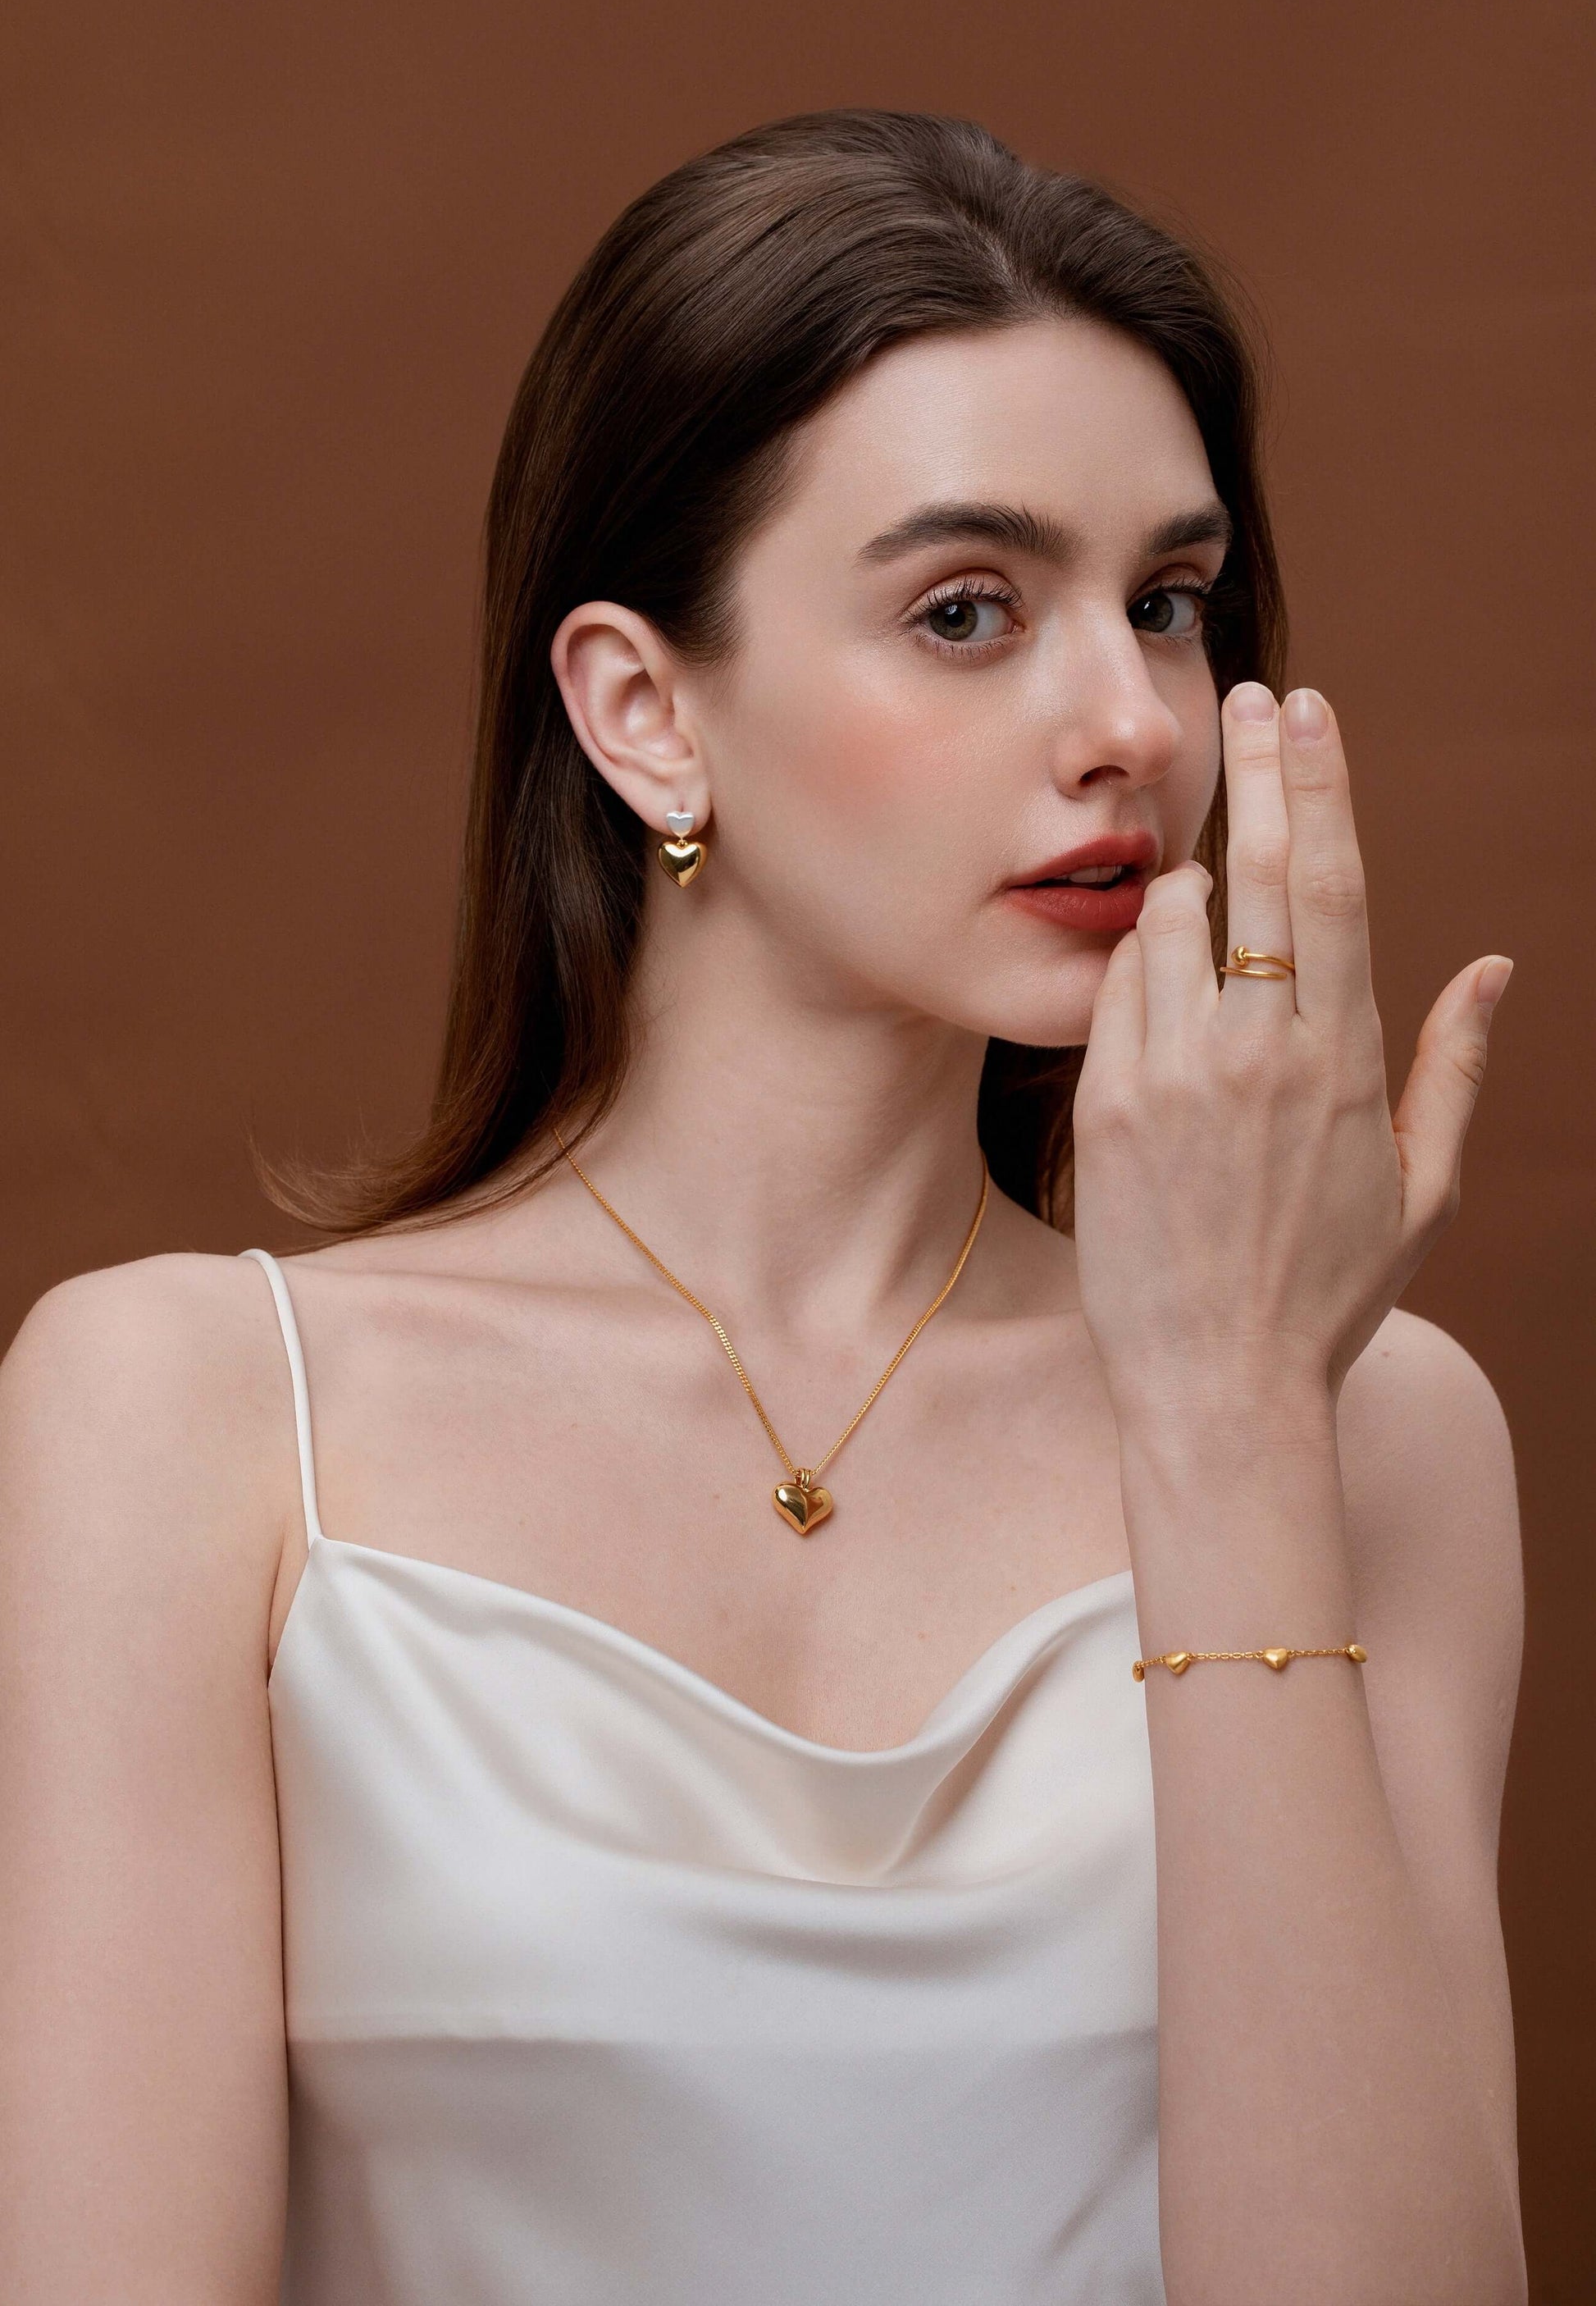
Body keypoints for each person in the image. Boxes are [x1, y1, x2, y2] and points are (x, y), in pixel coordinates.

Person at [0, 112, 1525, 2305]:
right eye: (965, 609)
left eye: (1169, 603)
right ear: (644, 714)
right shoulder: (182, 1412)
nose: (1129, 721)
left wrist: (1225, 1424)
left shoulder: (1376, 1431)